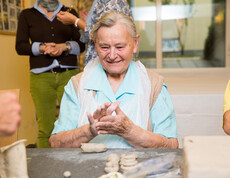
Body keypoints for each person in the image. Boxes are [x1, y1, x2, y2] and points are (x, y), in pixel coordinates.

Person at [49, 11, 178, 148]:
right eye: (104, 47)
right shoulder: (77, 85)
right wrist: (90, 130)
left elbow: (171, 145)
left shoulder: (154, 85)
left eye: (120, 47)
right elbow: (56, 143)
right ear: (95, 45)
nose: (112, 55)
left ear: (135, 43)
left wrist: (129, 131)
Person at [15, 0, 85, 148]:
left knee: (74, 126)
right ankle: (45, 169)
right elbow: (20, 46)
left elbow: (82, 44)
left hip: (69, 75)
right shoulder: (27, 15)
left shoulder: (70, 13)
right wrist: (42, 48)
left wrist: (64, 47)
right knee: (45, 129)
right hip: (41, 77)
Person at [57, 0, 132, 64]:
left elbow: (106, 35)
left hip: (108, 63)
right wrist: (89, 21)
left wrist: (76, 21)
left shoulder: (113, 2)